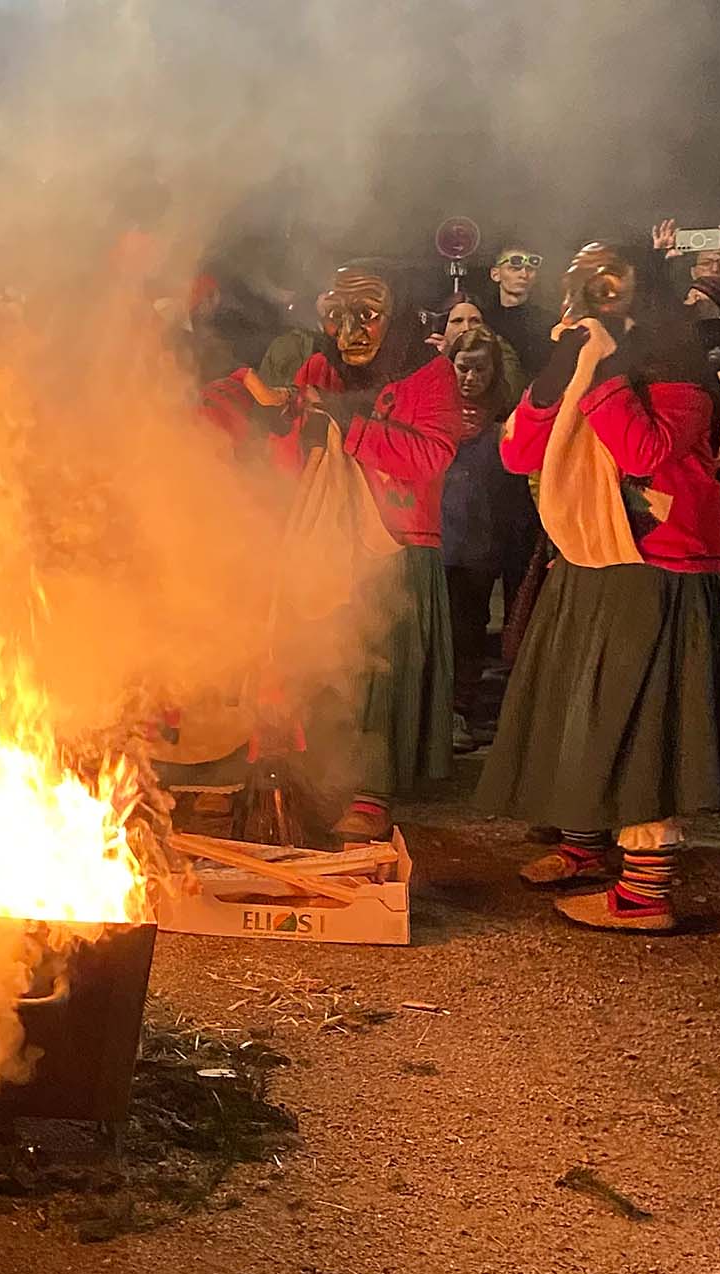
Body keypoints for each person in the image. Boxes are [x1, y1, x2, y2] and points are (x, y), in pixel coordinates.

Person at [477, 242, 720, 932]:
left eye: (610, 286)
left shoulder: (680, 371)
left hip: (659, 567)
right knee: (579, 707)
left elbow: (643, 452)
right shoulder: (586, 358)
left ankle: (646, 892)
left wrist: (606, 367)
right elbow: (520, 452)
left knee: (642, 723)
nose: (593, 299)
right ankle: (584, 845)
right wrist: (564, 369)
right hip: (589, 558)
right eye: (584, 284)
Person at [207, 262, 461, 840]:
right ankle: (317, 780)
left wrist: (345, 420)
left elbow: (429, 459)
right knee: (320, 663)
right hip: (323, 536)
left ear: (393, 317)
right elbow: (297, 458)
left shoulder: (429, 374)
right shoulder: (319, 365)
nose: (351, 331)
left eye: (366, 315)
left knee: (379, 669)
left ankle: (373, 793)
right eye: (336, 316)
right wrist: (278, 422)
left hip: (395, 541)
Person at [436, 324, 521, 751]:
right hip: (435, 539)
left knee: (468, 634)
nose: (469, 378)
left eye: (479, 370)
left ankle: (460, 711)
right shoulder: (432, 414)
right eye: (462, 368)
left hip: (478, 547)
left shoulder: (502, 426)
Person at [480, 246, 549, 371]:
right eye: (515, 268)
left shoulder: (547, 322)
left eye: (530, 269)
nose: (524, 275)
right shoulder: (481, 320)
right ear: (495, 274)